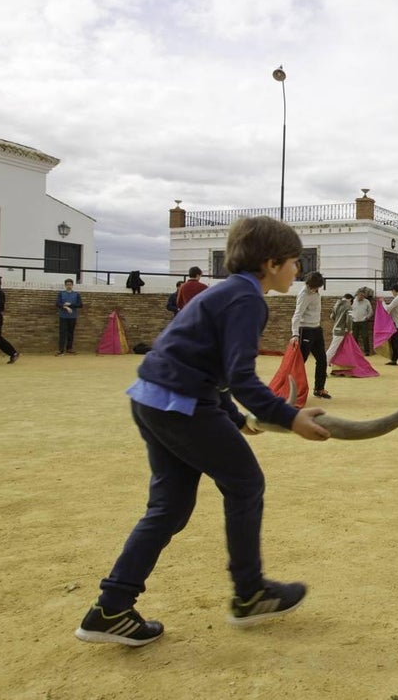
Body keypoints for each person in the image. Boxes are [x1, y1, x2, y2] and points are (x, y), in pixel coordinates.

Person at [74, 215, 330, 647]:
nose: (297, 271)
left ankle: (111, 609)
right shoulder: (248, 299)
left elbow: (204, 365)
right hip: (183, 404)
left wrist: (234, 418)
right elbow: (240, 376)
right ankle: (250, 593)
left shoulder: (225, 293)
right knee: (246, 483)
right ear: (270, 263)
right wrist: (291, 418)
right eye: (293, 262)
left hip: (154, 398)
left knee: (170, 507)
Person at [292, 271, 331, 399]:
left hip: (316, 329)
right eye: (314, 287)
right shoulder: (303, 295)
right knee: (300, 362)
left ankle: (319, 388)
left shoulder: (316, 292)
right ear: (309, 284)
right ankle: (293, 391)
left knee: (322, 360)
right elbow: (297, 314)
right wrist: (295, 334)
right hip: (306, 330)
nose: (315, 289)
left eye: (318, 287)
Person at [56, 278, 84, 355]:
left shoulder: (76, 294)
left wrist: (70, 305)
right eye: (67, 284)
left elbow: (80, 305)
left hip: (73, 316)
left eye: (70, 284)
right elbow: (57, 304)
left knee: (71, 333)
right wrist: (66, 307)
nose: (69, 286)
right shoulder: (61, 293)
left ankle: (69, 348)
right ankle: (61, 350)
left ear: (72, 285)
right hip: (63, 316)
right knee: (62, 333)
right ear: (65, 285)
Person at [326, 293, 354, 365]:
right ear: (350, 300)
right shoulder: (348, 307)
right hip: (341, 330)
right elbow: (349, 320)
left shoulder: (336, 305)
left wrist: (338, 322)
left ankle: (334, 365)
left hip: (335, 328)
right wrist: (349, 329)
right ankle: (323, 365)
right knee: (333, 349)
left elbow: (332, 316)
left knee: (336, 348)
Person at [384, 284, 398, 366]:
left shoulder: (397, 298)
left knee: (396, 342)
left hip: (394, 323)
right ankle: (394, 359)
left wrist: (382, 303)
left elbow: (388, 309)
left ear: (394, 290)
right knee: (394, 342)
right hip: (395, 323)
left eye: (392, 291)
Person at [350, 287, 374, 356]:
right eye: (361, 296)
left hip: (363, 322)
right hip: (354, 322)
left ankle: (367, 352)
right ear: (357, 295)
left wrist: (367, 317)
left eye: (363, 296)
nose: (362, 297)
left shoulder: (367, 301)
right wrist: (351, 317)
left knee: (365, 337)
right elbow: (349, 310)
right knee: (354, 337)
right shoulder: (353, 301)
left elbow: (371, 311)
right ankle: (355, 352)